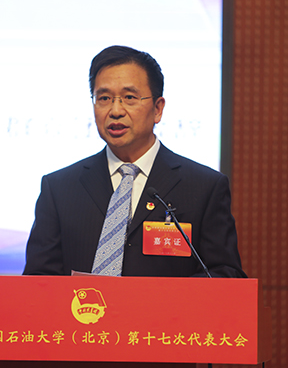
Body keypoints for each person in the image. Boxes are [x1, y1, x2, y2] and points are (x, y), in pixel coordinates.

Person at [23, 45, 246, 278]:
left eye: (129, 97)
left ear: (158, 109)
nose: (115, 110)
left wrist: (157, 297)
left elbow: (225, 275)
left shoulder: (203, 187)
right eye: (104, 98)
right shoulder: (59, 188)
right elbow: (38, 280)